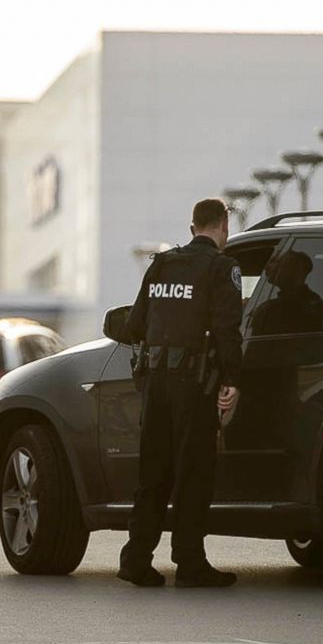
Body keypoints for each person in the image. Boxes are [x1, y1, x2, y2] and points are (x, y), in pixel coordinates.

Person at [117, 198, 243, 588]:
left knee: (152, 472)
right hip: (193, 386)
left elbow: (135, 324)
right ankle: (190, 564)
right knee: (193, 473)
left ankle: (136, 560)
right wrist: (232, 380)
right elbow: (227, 330)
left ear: (192, 229)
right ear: (224, 226)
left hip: (156, 385)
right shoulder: (223, 268)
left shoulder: (161, 265)